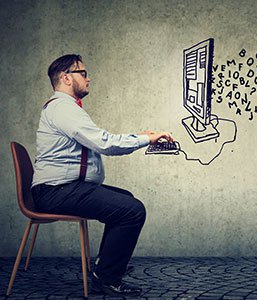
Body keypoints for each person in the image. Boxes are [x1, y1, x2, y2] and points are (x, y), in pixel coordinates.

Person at [31, 54, 173, 297]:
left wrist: (138, 135)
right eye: (83, 73)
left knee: (125, 200)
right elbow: (104, 143)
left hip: (62, 189)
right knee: (132, 210)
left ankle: (106, 266)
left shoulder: (66, 109)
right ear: (66, 78)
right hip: (56, 192)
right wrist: (144, 139)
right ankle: (107, 278)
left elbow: (98, 139)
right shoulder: (62, 108)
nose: (89, 78)